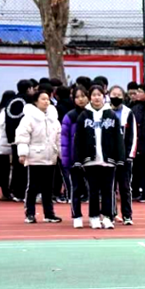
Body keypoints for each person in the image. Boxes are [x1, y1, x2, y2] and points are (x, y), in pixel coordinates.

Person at [74, 85, 124, 229]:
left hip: (108, 160)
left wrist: (120, 158)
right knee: (94, 191)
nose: (96, 97)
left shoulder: (111, 115)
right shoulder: (84, 116)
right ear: (90, 97)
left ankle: (107, 217)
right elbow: (78, 140)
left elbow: (118, 138)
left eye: (99, 94)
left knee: (108, 190)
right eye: (94, 95)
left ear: (104, 96)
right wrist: (78, 159)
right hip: (91, 161)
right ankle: (94, 217)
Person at [15, 89, 62, 223]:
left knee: (48, 188)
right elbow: (22, 136)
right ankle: (30, 213)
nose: (46, 101)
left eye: (48, 99)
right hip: (35, 157)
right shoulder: (28, 118)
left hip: (50, 157)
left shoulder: (54, 119)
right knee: (33, 187)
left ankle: (49, 214)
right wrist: (23, 153)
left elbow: (58, 137)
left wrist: (61, 153)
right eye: (43, 99)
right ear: (36, 101)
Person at [59, 86, 89, 227]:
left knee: (93, 189)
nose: (80, 99)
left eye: (83, 96)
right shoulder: (69, 116)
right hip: (74, 159)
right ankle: (76, 216)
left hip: (92, 159)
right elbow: (64, 141)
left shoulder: (93, 115)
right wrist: (66, 160)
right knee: (75, 188)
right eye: (77, 97)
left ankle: (95, 215)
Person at [108, 85, 137, 224]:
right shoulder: (104, 111)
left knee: (125, 187)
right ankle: (111, 214)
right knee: (110, 187)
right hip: (108, 158)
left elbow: (133, 135)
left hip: (124, 158)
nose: (116, 97)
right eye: (114, 94)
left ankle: (127, 215)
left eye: (119, 95)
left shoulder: (128, 113)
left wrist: (129, 155)